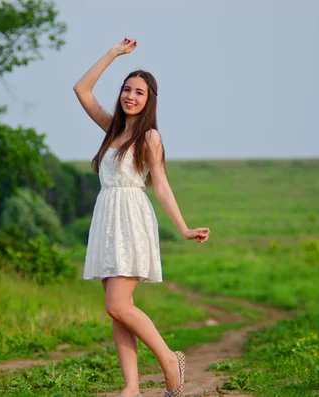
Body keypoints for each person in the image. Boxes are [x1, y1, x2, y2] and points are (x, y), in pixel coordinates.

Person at [73, 37, 210, 397]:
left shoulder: (149, 136)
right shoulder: (112, 129)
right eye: (127, 89)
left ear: (149, 101)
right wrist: (114, 53)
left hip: (131, 219)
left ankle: (168, 359)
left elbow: (161, 186)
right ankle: (131, 387)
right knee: (118, 310)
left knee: (118, 304)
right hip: (106, 219)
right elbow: (81, 89)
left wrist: (183, 228)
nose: (131, 96)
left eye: (140, 93)